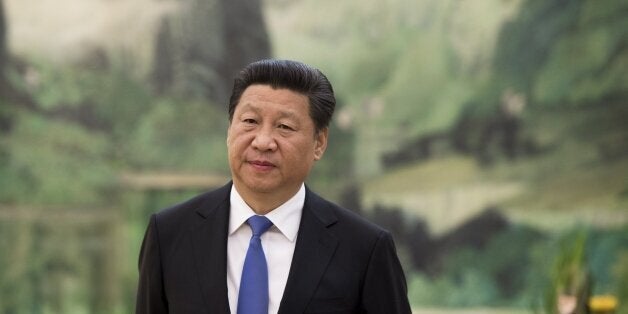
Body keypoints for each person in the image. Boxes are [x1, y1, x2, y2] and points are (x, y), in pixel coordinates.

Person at [135, 59, 412, 314]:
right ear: (229, 130)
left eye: (284, 126)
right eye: (250, 122)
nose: (263, 141)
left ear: (319, 143)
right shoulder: (170, 233)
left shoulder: (364, 249)